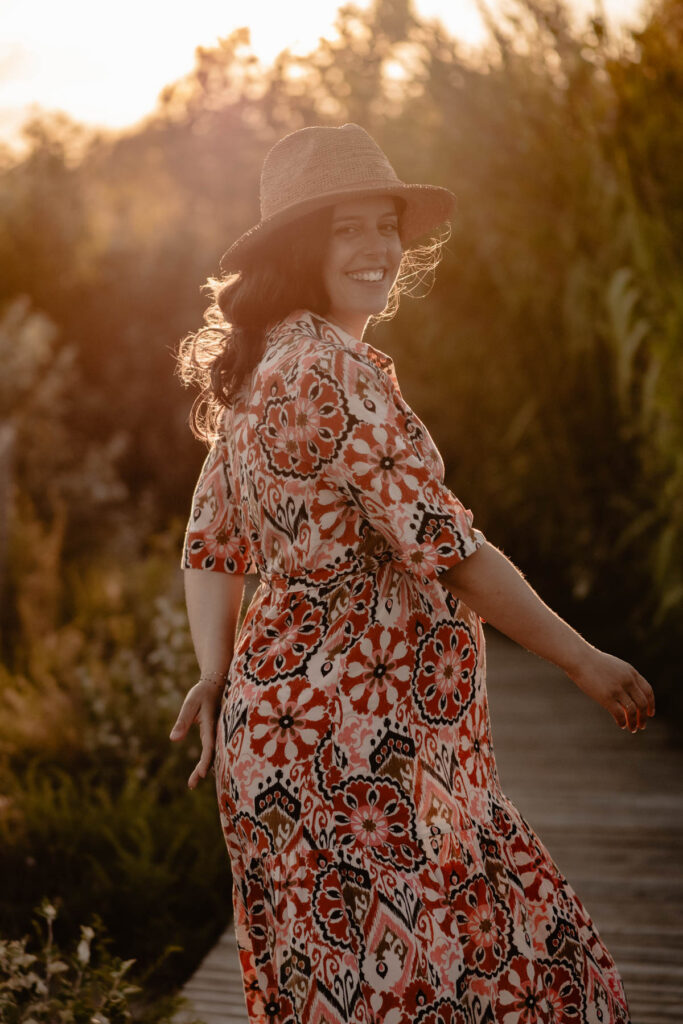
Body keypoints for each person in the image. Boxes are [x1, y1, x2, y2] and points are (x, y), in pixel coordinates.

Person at [170, 123, 654, 1024]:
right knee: (531, 973)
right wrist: (584, 661)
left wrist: (215, 673)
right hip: (368, 749)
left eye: (383, 223)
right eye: (343, 228)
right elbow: (452, 553)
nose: (375, 248)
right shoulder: (332, 374)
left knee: (344, 988)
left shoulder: (260, 369)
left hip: (279, 741)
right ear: (297, 248)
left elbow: (207, 547)